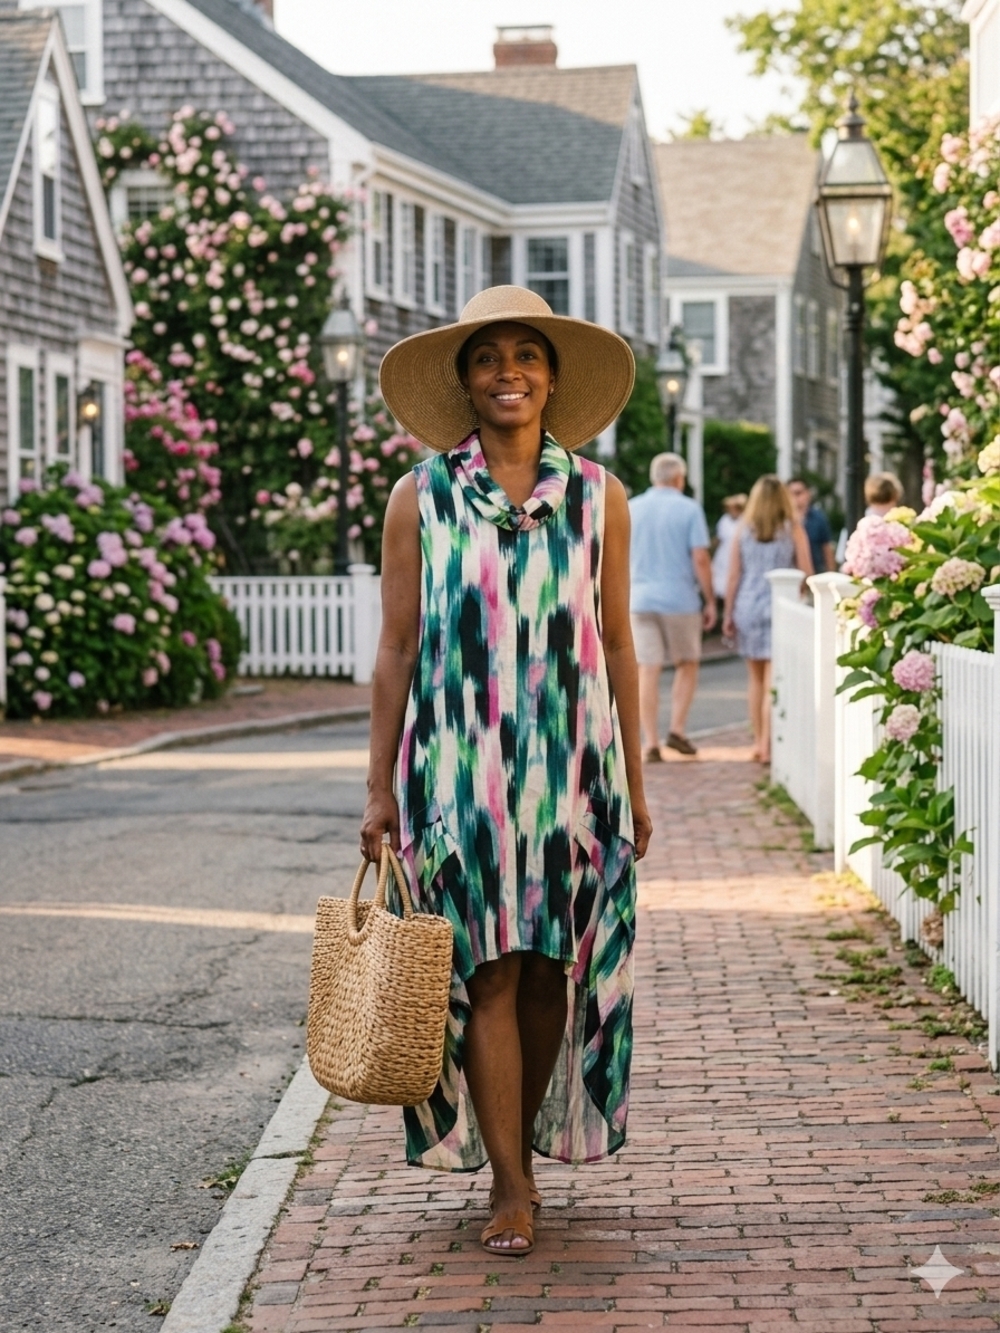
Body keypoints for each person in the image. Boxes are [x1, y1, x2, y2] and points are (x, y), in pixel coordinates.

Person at [362, 286, 652, 1260]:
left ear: (553, 376)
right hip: (456, 768)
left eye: (527, 355)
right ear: (465, 380)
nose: (508, 374)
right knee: (487, 968)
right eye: (488, 358)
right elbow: (397, 646)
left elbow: (617, 642)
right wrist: (376, 790)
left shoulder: (600, 496)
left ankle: (515, 1142)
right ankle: (510, 1182)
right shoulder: (421, 495)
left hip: (574, 768)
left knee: (547, 972)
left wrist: (637, 786)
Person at [629, 452, 716, 760]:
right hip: (679, 598)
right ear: (679, 478)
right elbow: (701, 559)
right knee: (687, 663)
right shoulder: (689, 509)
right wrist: (710, 600)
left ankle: (650, 741)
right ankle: (677, 730)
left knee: (647, 669)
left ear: (654, 477)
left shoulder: (632, 508)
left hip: (638, 599)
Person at [723, 475, 813, 764]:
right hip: (780, 606)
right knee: (774, 679)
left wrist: (728, 613)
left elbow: (734, 574)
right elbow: (807, 571)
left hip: (747, 605)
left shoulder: (743, 529)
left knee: (755, 679)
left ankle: (757, 742)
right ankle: (767, 745)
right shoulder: (793, 528)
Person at [787, 477, 835, 575]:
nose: (794, 498)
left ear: (807, 493)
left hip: (816, 573)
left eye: (798, 493)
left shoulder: (818, 518)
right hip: (790, 576)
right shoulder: (783, 520)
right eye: (790, 494)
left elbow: (826, 548)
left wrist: (831, 573)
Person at [711, 493, 746, 601]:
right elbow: (720, 537)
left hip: (738, 554)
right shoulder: (724, 520)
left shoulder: (745, 520)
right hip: (723, 555)